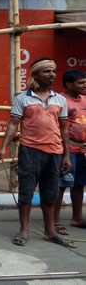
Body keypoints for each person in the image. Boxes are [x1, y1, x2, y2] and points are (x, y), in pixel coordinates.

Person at [0, 58, 74, 248]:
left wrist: (67, 155)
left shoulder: (60, 99)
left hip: (55, 152)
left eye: (53, 71)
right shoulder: (22, 98)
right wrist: (3, 146)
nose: (52, 75)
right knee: (26, 192)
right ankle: (24, 229)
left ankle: (50, 231)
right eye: (46, 71)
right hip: (30, 151)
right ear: (36, 75)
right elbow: (13, 124)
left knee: (50, 194)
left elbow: (63, 129)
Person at [53, 69, 86, 236]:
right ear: (68, 84)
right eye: (80, 83)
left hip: (83, 150)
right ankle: (55, 220)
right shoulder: (60, 100)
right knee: (62, 185)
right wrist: (64, 152)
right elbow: (61, 127)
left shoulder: (85, 100)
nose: (84, 86)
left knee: (79, 184)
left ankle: (77, 217)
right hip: (67, 149)